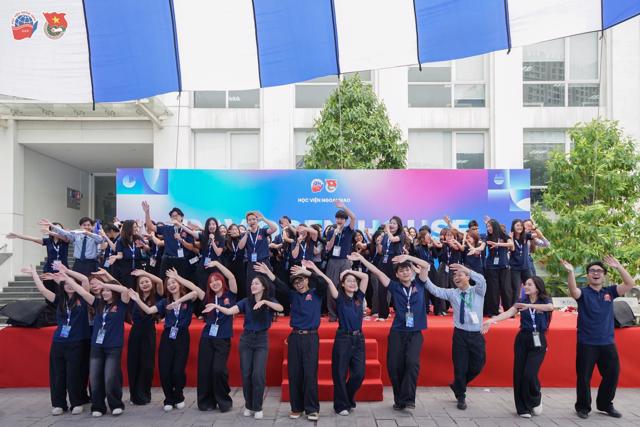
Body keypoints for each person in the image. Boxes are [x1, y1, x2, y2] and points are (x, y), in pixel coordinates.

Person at [349, 252, 428, 411]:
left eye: (407, 270)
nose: (405, 272)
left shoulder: (419, 283)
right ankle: (399, 400)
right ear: (397, 275)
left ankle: (409, 399)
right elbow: (377, 272)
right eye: (401, 271)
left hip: (415, 333)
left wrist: (408, 258)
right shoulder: (395, 286)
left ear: (412, 271)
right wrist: (362, 259)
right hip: (397, 332)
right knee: (394, 366)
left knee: (412, 363)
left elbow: (426, 265)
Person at [561, 256, 635, 419]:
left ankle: (605, 404)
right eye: (592, 271)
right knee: (584, 377)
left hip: (607, 342)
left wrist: (618, 266)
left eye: (599, 271)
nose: (596, 273)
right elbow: (573, 291)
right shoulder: (583, 293)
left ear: (604, 275)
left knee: (612, 374)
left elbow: (630, 284)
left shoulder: (610, 292)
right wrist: (571, 272)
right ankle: (583, 407)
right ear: (588, 275)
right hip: (587, 342)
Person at [255, 260, 325, 420]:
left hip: (311, 337)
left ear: (307, 280)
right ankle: (296, 408)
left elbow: (322, 282)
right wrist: (268, 273)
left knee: (309, 374)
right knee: (294, 373)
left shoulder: (316, 293)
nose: (299, 284)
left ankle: (312, 409)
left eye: (301, 280)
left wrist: (308, 271)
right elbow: (280, 285)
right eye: (296, 282)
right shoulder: (293, 296)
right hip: (295, 337)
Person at [128, 268, 204, 412]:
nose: (171, 285)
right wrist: (137, 299)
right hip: (167, 336)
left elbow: (196, 292)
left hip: (182, 336)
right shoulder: (164, 302)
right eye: (169, 284)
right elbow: (149, 311)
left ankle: (178, 396)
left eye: (174, 283)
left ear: (179, 284)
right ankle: (169, 398)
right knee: (165, 370)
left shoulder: (188, 299)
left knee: (178, 370)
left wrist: (178, 287)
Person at [209, 275, 283, 419]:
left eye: (257, 283)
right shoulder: (246, 302)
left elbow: (280, 308)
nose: (253, 285)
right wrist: (217, 306)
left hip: (261, 340)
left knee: (258, 375)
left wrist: (265, 302)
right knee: (246, 374)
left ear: (263, 286)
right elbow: (230, 311)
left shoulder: (270, 301)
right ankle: (249, 405)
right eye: (252, 283)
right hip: (246, 340)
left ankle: (258, 407)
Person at [482, 276, 553, 418]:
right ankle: (522, 408)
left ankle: (535, 397)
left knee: (530, 374)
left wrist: (530, 306)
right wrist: (491, 320)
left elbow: (550, 308)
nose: (526, 287)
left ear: (537, 287)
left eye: (529, 284)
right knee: (519, 374)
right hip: (523, 339)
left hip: (538, 338)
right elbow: (508, 312)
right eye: (525, 284)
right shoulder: (522, 301)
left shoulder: (545, 299)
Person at [25, 265, 90, 416]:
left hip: (77, 342)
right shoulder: (59, 299)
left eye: (71, 283)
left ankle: (76, 402)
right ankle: (59, 404)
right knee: (57, 375)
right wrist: (34, 273)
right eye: (66, 284)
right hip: (59, 342)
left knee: (74, 374)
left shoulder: (83, 297)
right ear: (62, 286)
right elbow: (42, 290)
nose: (69, 285)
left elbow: (85, 280)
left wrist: (67, 273)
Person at [423, 262, 486, 410]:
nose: (456, 278)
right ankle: (461, 395)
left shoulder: (478, 291)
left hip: (476, 335)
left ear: (467, 276)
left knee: (477, 366)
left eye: (460, 275)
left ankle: (458, 385)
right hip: (460, 335)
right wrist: (424, 277)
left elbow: (482, 280)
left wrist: (467, 269)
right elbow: (435, 290)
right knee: (460, 367)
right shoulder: (453, 293)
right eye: (454, 276)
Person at [311, 263, 369, 416]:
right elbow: (328, 281)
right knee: (340, 373)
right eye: (348, 281)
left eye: (353, 281)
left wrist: (349, 271)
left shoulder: (359, 297)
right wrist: (315, 269)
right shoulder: (340, 298)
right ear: (342, 284)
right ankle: (341, 405)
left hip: (359, 339)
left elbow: (365, 277)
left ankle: (347, 398)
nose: (352, 283)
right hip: (343, 338)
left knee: (359, 374)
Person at [197, 260, 238, 412]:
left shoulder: (230, 294)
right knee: (205, 370)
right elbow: (194, 288)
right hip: (207, 337)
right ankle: (206, 402)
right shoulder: (208, 296)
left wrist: (217, 264)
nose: (214, 283)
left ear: (222, 281)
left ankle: (224, 400)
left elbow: (231, 277)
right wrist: (177, 278)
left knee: (218, 370)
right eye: (211, 281)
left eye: (217, 280)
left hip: (223, 338)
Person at [87, 278, 131, 417]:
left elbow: (124, 290)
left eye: (108, 290)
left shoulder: (121, 304)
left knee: (110, 377)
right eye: (103, 291)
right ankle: (98, 406)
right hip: (96, 346)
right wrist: (66, 277)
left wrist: (104, 284)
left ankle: (116, 404)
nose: (105, 293)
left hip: (113, 347)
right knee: (94, 377)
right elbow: (82, 292)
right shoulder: (98, 304)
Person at [127, 269, 164, 406]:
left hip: (149, 332)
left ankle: (144, 394)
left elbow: (160, 281)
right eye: (142, 282)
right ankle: (134, 395)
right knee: (133, 363)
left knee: (147, 364)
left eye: (147, 281)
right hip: (135, 332)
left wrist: (144, 273)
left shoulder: (157, 296)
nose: (145, 284)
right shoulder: (134, 296)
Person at [7, 225, 70, 296]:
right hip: (49, 270)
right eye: (54, 229)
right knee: (49, 293)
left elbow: (66, 238)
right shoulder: (48, 241)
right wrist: (18, 236)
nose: (57, 230)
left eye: (58, 229)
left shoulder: (65, 240)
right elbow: (32, 239)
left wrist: (52, 232)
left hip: (62, 271)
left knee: (63, 294)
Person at [141, 202, 197, 280]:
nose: (174, 217)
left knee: (182, 282)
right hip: (167, 260)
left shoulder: (187, 230)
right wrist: (147, 213)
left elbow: (191, 247)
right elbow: (150, 226)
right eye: (172, 216)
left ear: (182, 217)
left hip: (182, 261)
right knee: (164, 281)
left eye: (176, 215)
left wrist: (181, 240)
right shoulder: (167, 228)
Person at [40, 217, 106, 277]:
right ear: (80, 226)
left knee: (91, 282)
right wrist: (52, 225)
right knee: (77, 281)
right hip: (78, 263)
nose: (86, 227)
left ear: (92, 226)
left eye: (88, 225)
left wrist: (88, 233)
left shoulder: (94, 236)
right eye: (84, 225)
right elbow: (65, 233)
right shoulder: (76, 235)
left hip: (91, 263)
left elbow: (100, 240)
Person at [325, 201, 357, 321]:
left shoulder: (349, 230)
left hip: (345, 261)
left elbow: (353, 217)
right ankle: (333, 315)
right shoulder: (331, 232)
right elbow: (328, 247)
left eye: (342, 218)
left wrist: (343, 206)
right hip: (333, 261)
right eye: (338, 218)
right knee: (331, 286)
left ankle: (346, 312)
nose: (339, 220)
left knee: (347, 286)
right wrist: (334, 234)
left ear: (345, 220)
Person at [377, 216, 406, 320]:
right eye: (390, 223)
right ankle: (383, 314)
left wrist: (387, 231)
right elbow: (381, 251)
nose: (391, 225)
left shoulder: (401, 235)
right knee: (381, 289)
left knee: (397, 289)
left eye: (394, 223)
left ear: (398, 226)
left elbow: (393, 240)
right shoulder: (385, 236)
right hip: (384, 262)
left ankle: (400, 312)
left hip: (395, 263)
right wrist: (378, 243)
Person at [237, 211, 278, 282]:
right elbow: (240, 247)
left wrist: (264, 219)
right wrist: (246, 234)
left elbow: (274, 228)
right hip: (252, 264)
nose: (252, 221)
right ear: (247, 222)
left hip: (264, 262)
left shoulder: (263, 231)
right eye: (249, 220)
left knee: (267, 284)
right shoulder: (245, 234)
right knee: (253, 284)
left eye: (254, 219)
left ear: (257, 221)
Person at [484, 219, 512, 316]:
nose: (488, 228)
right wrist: (476, 249)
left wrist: (498, 244)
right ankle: (493, 311)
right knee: (493, 289)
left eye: (490, 226)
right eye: (487, 227)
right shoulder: (487, 237)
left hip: (503, 265)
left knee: (505, 288)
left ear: (495, 226)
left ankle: (509, 311)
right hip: (491, 266)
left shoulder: (503, 235)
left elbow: (511, 244)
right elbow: (482, 246)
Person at [509, 219, 532, 305]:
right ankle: (514, 308)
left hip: (526, 267)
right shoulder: (510, 237)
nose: (520, 227)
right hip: (515, 268)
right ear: (513, 227)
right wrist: (511, 238)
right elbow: (512, 249)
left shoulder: (525, 235)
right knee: (516, 289)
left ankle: (530, 306)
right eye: (517, 225)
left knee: (531, 286)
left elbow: (537, 235)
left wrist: (534, 228)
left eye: (521, 225)